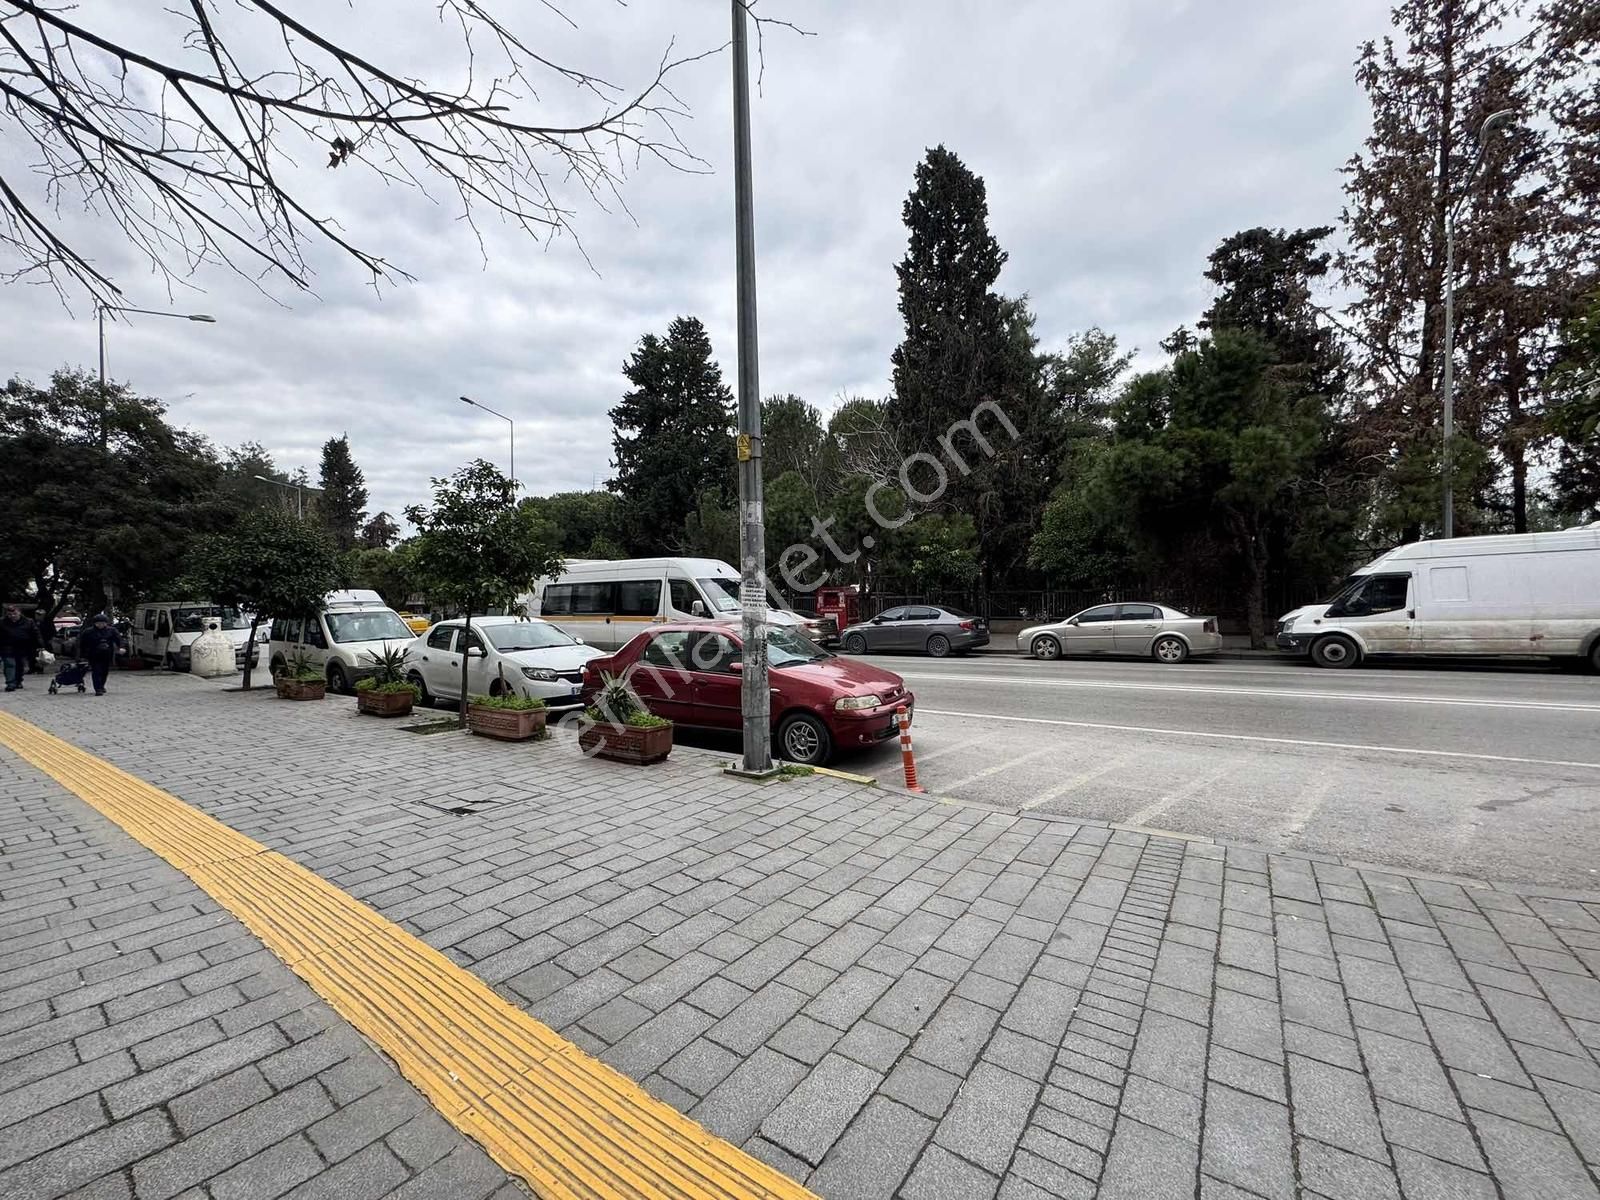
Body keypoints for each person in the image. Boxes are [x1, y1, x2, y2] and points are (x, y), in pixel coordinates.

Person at [78, 612, 123, 696]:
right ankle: (98, 688)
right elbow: (82, 644)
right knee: (96, 671)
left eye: (103, 623)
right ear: (95, 623)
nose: (100, 625)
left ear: (106, 623)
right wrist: (83, 655)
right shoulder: (88, 632)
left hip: (107, 654)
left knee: (104, 671)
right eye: (98, 623)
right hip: (94, 654)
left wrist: (121, 647)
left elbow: (118, 639)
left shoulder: (112, 630)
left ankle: (101, 685)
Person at [1, 604, 40, 691]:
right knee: (10, 664)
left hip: (23, 647)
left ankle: (18, 681)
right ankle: (10, 683)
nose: (12, 616)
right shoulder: (2, 622)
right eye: (9, 614)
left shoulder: (28, 621)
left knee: (20, 665)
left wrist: (40, 645)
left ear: (19, 613)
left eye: (14, 614)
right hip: (7, 647)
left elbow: (36, 634)